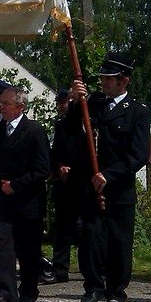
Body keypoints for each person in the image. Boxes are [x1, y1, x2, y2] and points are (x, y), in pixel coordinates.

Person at [70, 54, 151, 302]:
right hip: (91, 188)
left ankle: (116, 292)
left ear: (123, 81)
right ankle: (92, 289)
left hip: (118, 189)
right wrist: (75, 99)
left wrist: (109, 175)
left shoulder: (137, 112)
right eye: (102, 78)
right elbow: (72, 129)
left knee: (119, 242)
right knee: (91, 240)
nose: (103, 82)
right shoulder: (91, 103)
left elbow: (137, 155)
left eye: (109, 78)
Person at [0, 86, 50, 302]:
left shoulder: (34, 131)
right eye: (0, 103)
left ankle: (29, 289)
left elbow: (42, 169)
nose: (1, 107)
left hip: (28, 200)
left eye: (6, 104)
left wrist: (17, 185)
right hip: (3, 200)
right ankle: (5, 291)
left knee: (28, 248)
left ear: (20, 107)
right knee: (3, 245)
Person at [48, 88, 85, 284]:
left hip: (83, 182)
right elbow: (54, 154)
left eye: (68, 101)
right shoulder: (61, 126)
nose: (64, 106)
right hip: (64, 184)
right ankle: (60, 268)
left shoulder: (87, 123)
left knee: (83, 228)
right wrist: (59, 167)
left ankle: (91, 267)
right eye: (61, 102)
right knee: (62, 229)